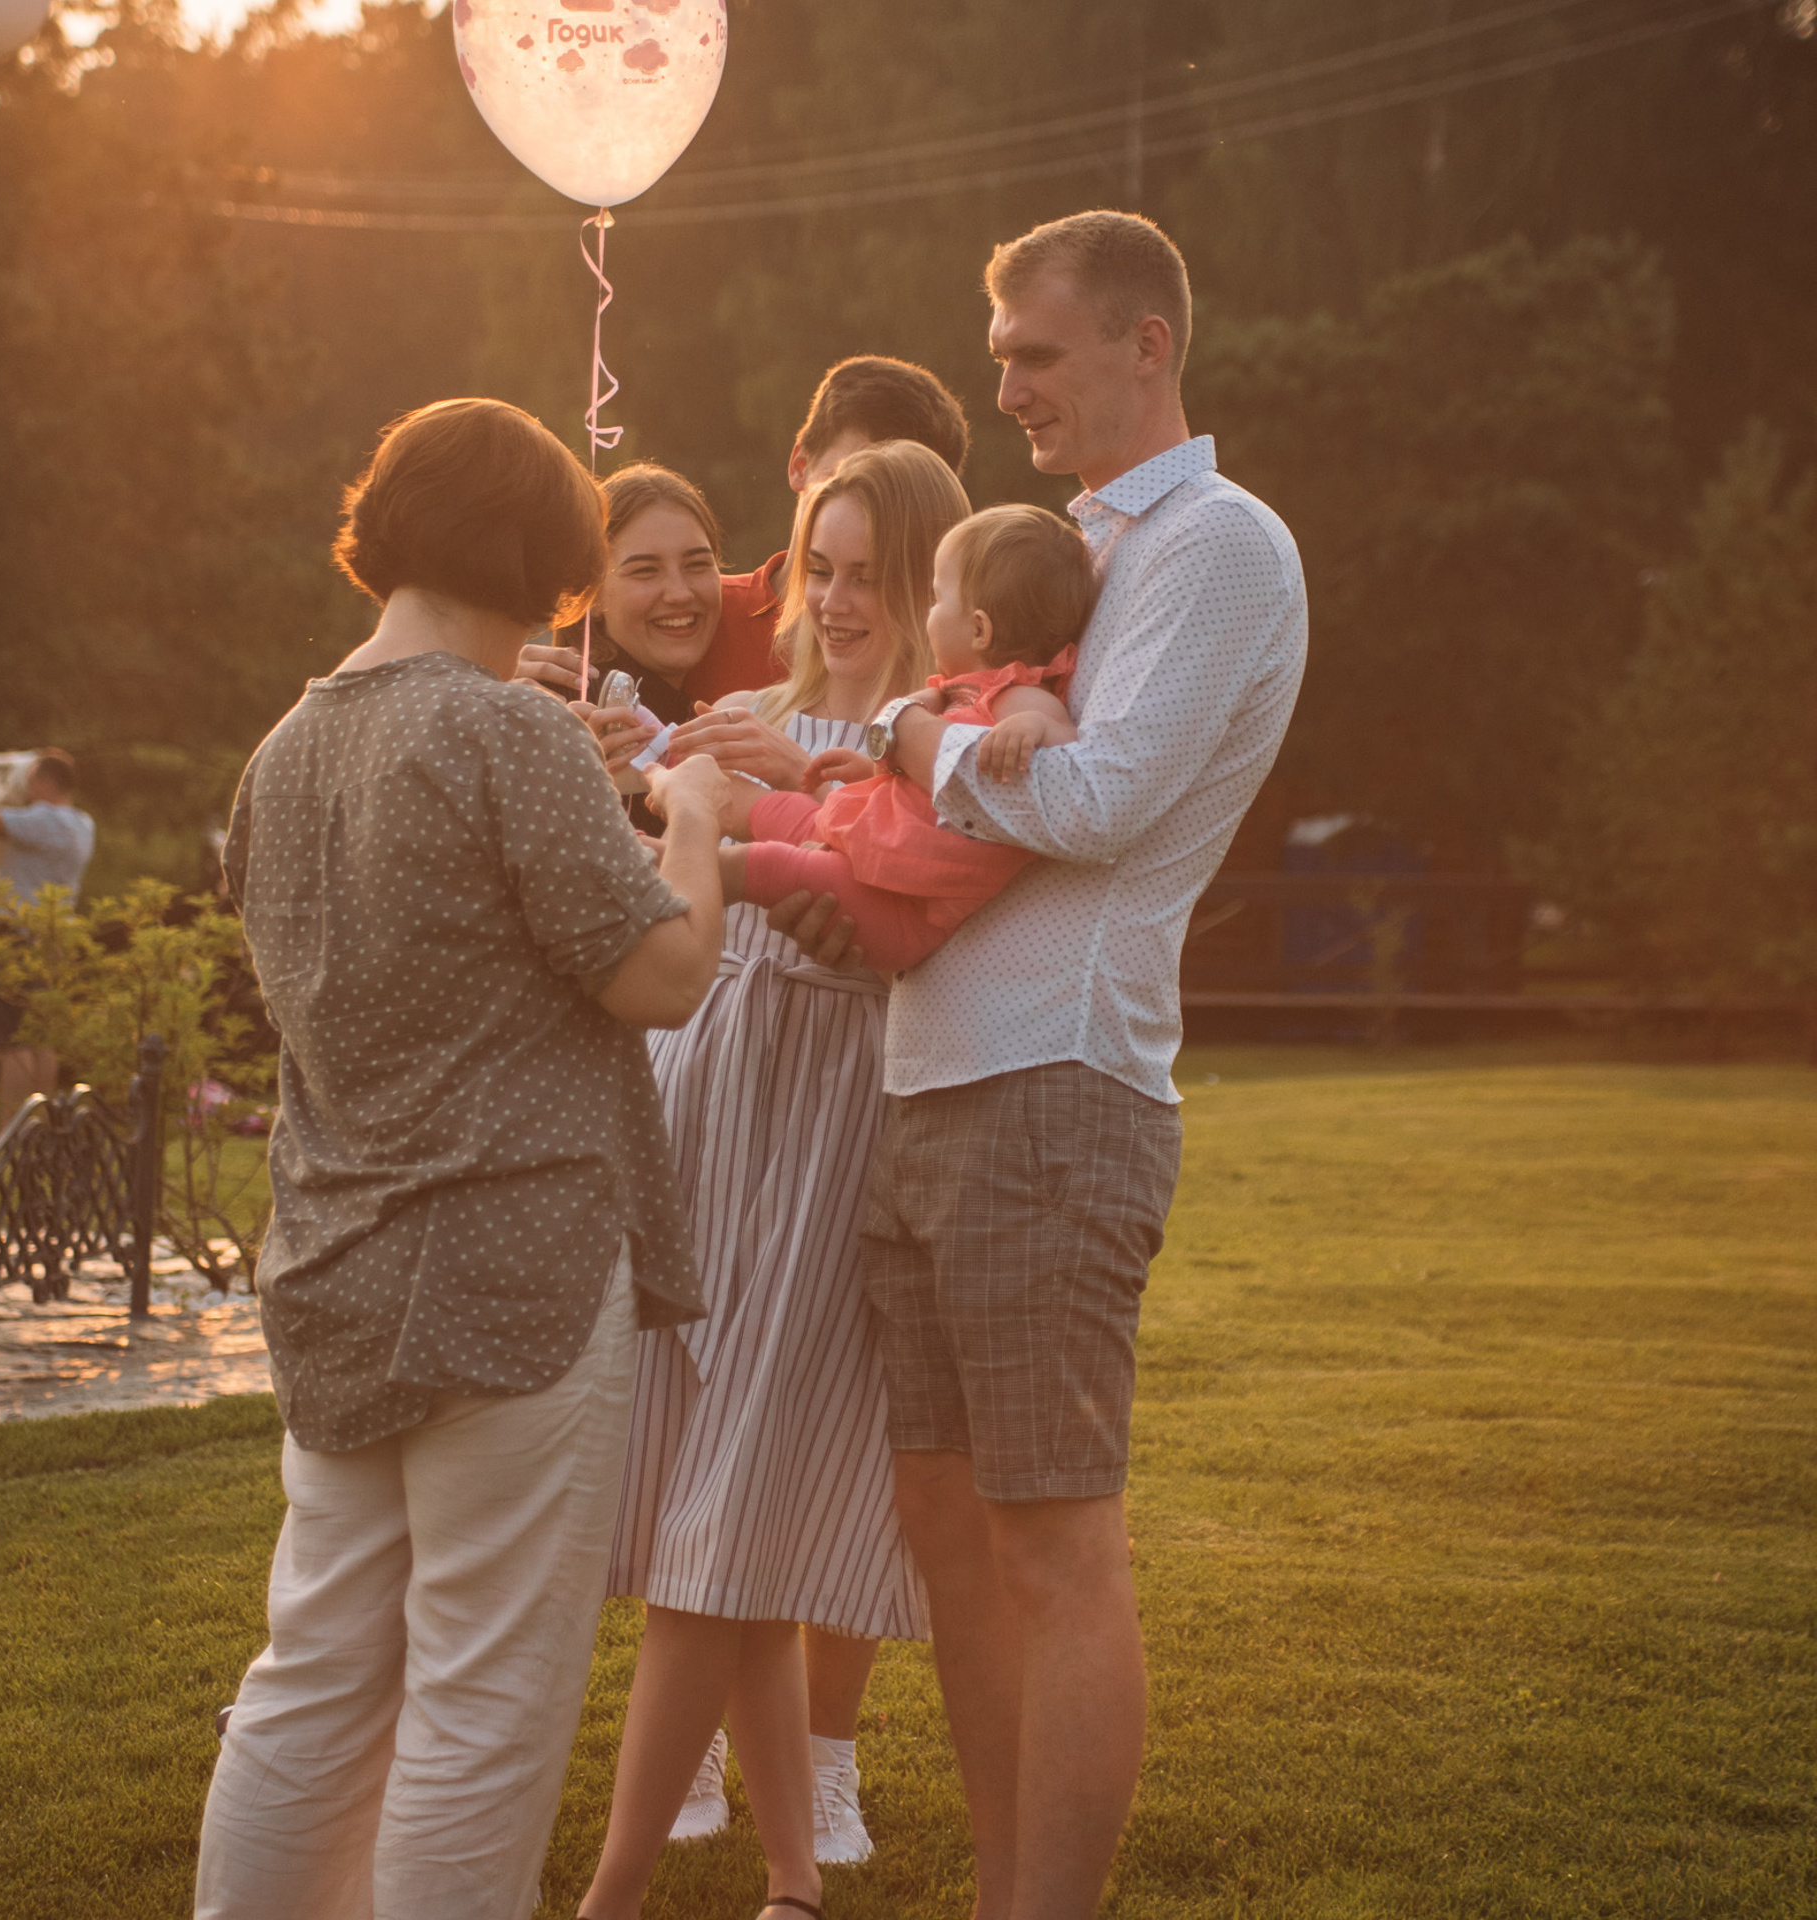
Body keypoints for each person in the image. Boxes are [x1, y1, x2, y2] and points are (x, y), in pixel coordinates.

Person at [195, 398, 733, 1920]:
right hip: (516, 1271)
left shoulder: (284, 749)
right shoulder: (500, 729)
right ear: (537, 558)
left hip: (334, 1269)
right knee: (482, 1698)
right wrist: (688, 810)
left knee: (313, 1672)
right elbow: (664, 974)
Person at [846, 213, 1310, 1920]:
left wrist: (915, 734)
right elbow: (996, 773)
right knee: (949, 1538)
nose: (1007, 387)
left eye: (1036, 356)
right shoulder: (1054, 545)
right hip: (927, 1079)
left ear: (1145, 344)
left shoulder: (1217, 548)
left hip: (1059, 1085)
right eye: (1000, 358)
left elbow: (1101, 800)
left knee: (1049, 1542)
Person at [574, 440, 972, 1920]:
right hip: (708, 1111)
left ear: (930, 582)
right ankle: (796, 1882)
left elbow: (899, 920)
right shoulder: (745, 717)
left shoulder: (943, 748)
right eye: (823, 567)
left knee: (730, 1520)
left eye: (873, 574)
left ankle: (610, 1897)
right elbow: (651, 883)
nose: (844, 599)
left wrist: (781, 805)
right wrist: (643, 783)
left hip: (828, 1128)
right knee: (709, 1502)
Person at [731, 504, 1095, 973]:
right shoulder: (951, 693)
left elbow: (1063, 739)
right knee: (796, 817)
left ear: (980, 628)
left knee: (781, 869)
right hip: (880, 855)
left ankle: (699, 867)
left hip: (908, 906)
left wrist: (1032, 728)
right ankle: (697, 819)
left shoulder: (1019, 694)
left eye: (937, 600)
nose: (929, 613)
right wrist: (873, 769)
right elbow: (921, 772)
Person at [517, 353, 969, 717]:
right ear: (799, 465)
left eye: (904, 499)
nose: (870, 515)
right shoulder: (701, 612)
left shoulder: (960, 664)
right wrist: (493, 677)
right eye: (848, 477)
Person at [571, 463, 727, 830]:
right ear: (591, 595)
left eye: (697, 564)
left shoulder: (713, 708)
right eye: (645, 571)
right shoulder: (577, 724)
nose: (679, 593)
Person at [0, 745, 95, 1113]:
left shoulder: (42, 820)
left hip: (21, 936)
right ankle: (39, 1127)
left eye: (30, 779)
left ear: (45, 781)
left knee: (12, 1040)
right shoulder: (83, 826)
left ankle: (13, 1129)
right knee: (42, 1038)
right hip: (56, 937)